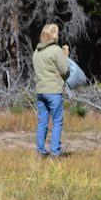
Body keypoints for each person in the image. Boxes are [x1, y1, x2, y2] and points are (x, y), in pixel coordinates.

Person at [32, 23, 70, 158]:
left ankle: (40, 151)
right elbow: (65, 70)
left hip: (40, 91)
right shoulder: (56, 50)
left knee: (42, 121)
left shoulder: (37, 52)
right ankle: (55, 152)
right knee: (57, 121)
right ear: (54, 35)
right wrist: (65, 56)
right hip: (53, 91)